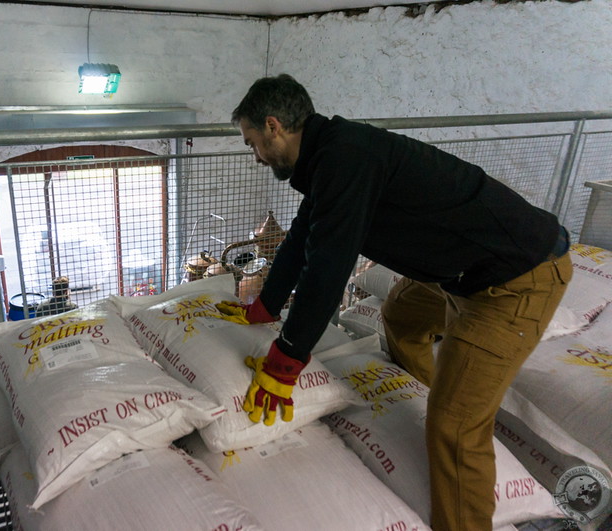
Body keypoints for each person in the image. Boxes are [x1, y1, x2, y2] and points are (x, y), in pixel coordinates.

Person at [218, 73, 572, 531]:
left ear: (273, 127)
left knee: (455, 427)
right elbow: (302, 236)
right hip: (458, 272)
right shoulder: (332, 155)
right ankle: (428, 392)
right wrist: (264, 306)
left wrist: (285, 362)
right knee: (401, 314)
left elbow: (328, 265)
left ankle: (452, 429)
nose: (256, 156)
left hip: (511, 280)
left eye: (252, 143)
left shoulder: (345, 158)